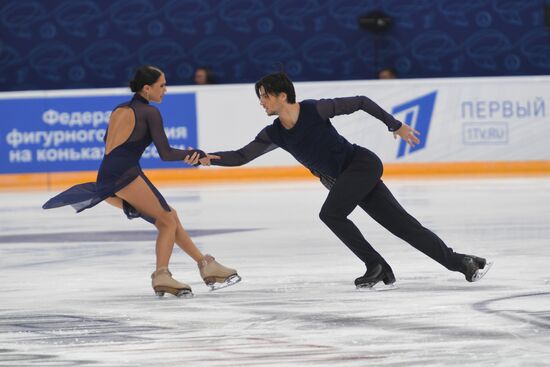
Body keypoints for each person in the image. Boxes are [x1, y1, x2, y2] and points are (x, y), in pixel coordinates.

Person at [196, 72, 492, 290]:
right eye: (259, 97)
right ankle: (463, 262)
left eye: (264, 96)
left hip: (361, 165)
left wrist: (396, 125)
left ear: (282, 95)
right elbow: (241, 156)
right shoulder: (275, 133)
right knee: (403, 226)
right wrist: (209, 158)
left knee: (331, 214)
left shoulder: (315, 109)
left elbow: (361, 102)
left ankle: (376, 266)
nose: (261, 102)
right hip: (345, 180)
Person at [42, 65, 240, 297]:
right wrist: (195, 155)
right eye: (162, 85)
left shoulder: (120, 109)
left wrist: (190, 156)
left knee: (170, 216)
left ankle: (206, 265)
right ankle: (162, 275)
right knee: (166, 221)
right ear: (147, 88)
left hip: (109, 175)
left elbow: (110, 144)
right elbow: (165, 154)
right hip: (124, 174)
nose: (165, 90)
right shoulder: (149, 113)